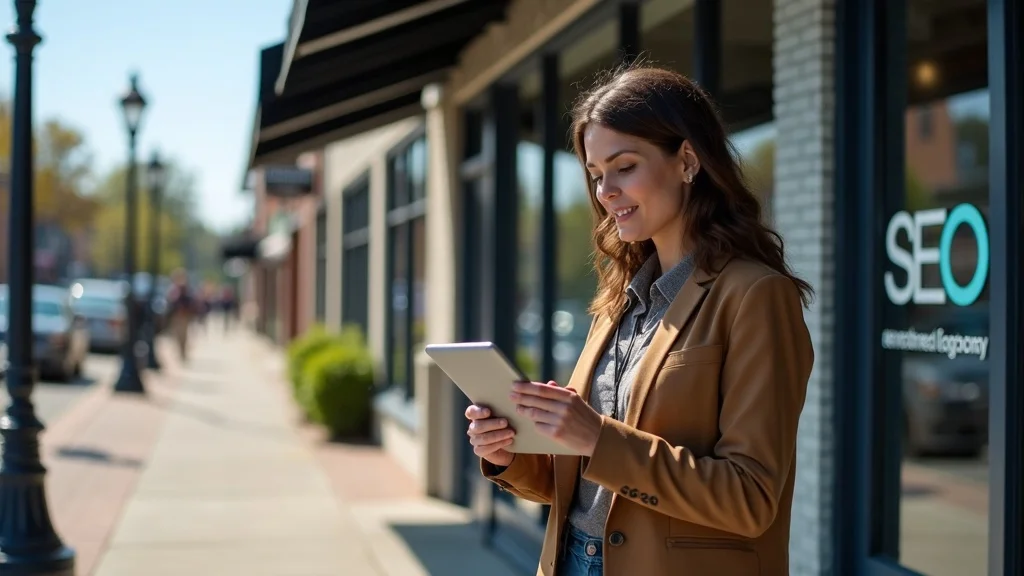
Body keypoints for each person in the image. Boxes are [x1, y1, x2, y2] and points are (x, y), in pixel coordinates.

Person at [466, 64, 814, 576]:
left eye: (624, 166)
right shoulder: (617, 300)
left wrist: (596, 436)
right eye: (595, 174)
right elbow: (589, 482)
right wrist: (509, 452)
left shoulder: (756, 296)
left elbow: (750, 497)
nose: (605, 191)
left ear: (688, 161)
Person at [165, 269, 196, 361]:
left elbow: (191, 302)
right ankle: (179, 351)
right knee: (176, 335)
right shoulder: (172, 290)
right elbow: (169, 302)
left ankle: (183, 352)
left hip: (184, 316)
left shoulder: (186, 290)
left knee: (183, 335)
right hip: (175, 316)